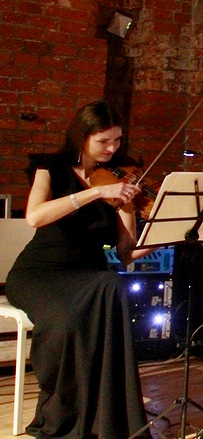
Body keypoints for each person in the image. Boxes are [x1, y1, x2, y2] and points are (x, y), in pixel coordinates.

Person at [5, 101, 151, 439]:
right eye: (103, 141)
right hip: (38, 274)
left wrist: (173, 235)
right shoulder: (52, 169)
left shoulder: (121, 182)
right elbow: (35, 216)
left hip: (89, 277)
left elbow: (125, 253)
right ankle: (60, 412)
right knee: (72, 316)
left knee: (112, 283)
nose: (112, 149)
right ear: (82, 136)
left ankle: (107, 418)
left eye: (117, 140)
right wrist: (96, 192)